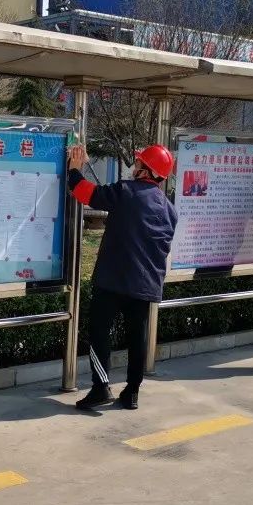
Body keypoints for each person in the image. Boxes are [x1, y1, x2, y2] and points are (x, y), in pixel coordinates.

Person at [67, 143, 178, 411]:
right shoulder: (169, 209)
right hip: (146, 285)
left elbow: (85, 192)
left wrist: (74, 169)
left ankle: (101, 387)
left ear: (145, 170)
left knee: (99, 331)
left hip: (113, 280)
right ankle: (132, 392)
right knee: (137, 337)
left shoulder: (125, 191)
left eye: (138, 163)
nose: (133, 166)